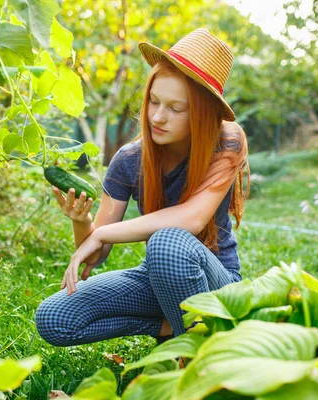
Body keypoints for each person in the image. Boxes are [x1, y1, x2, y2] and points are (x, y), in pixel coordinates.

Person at [36, 28, 249, 347]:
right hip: (158, 275)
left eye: (176, 109)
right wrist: (83, 223)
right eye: (153, 102)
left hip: (219, 285)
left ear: (202, 115)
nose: (157, 117)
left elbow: (191, 219)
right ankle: (171, 327)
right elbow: (99, 253)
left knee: (168, 243)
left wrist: (102, 233)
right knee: (54, 318)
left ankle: (202, 354)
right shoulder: (129, 160)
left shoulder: (227, 142)